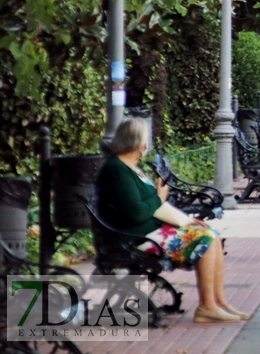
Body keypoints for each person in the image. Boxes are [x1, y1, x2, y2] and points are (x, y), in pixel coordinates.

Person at [95, 118, 248, 323]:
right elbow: (137, 212)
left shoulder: (130, 167)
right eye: (146, 139)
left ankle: (219, 303)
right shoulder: (117, 170)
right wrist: (159, 196)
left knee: (213, 235)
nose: (147, 144)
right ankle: (207, 307)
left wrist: (186, 221)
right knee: (207, 240)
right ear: (138, 143)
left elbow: (150, 205)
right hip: (134, 238)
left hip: (148, 232)